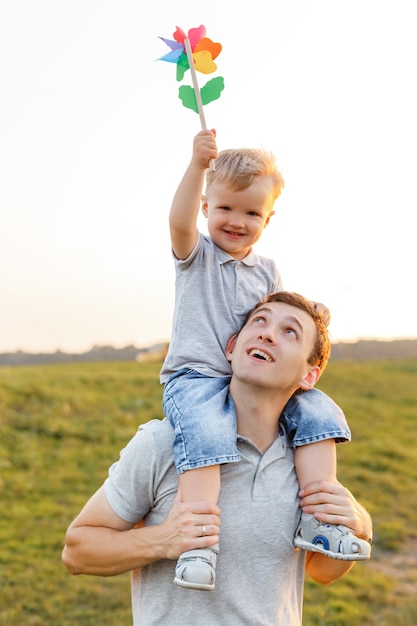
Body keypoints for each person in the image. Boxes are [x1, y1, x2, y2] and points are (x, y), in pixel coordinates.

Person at [62, 291, 372, 626]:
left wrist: (360, 527)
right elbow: (77, 551)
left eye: (290, 331)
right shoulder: (163, 442)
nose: (267, 333)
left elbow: (321, 572)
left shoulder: (308, 462)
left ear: (309, 376)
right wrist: (162, 540)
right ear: (232, 347)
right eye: (260, 321)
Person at [160, 130, 363, 591]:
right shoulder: (197, 255)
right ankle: (198, 541)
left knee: (317, 409)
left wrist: (312, 317)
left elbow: (277, 317)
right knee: (207, 433)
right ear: (207, 207)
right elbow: (178, 222)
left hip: (246, 379)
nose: (237, 221)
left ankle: (320, 517)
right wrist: (196, 167)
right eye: (226, 207)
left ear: (268, 220)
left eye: (252, 212)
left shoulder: (267, 270)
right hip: (196, 377)